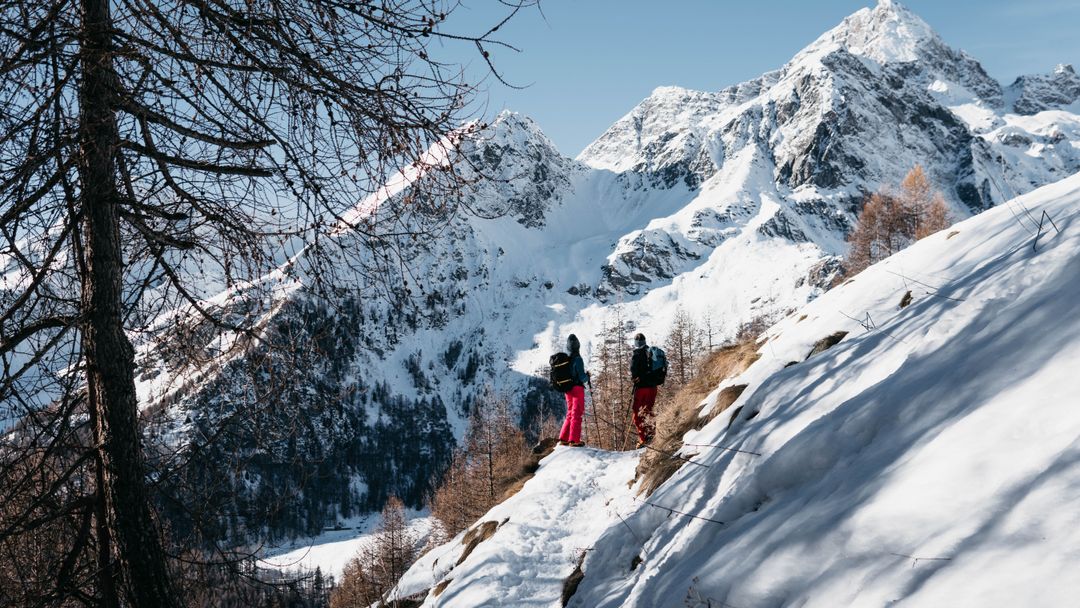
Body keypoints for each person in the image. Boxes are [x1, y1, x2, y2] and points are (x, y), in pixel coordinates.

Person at [558, 334, 589, 447]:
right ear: (578, 346)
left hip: (568, 389)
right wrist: (587, 377)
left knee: (570, 413)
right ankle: (574, 440)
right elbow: (582, 377)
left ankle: (564, 438)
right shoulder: (578, 359)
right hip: (577, 389)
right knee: (577, 413)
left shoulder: (567, 359)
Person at [629, 333, 657, 448]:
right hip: (653, 387)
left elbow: (634, 372)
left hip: (641, 389)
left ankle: (644, 439)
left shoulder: (636, 354)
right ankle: (652, 435)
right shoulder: (652, 352)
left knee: (637, 413)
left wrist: (635, 378)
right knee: (648, 410)